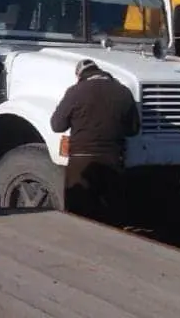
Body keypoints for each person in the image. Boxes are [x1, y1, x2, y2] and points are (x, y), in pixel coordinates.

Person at [50, 58, 140, 226]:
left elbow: (57, 125)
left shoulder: (75, 91)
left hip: (81, 162)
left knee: (79, 216)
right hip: (113, 161)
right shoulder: (123, 92)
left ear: (80, 75)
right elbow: (133, 130)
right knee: (111, 216)